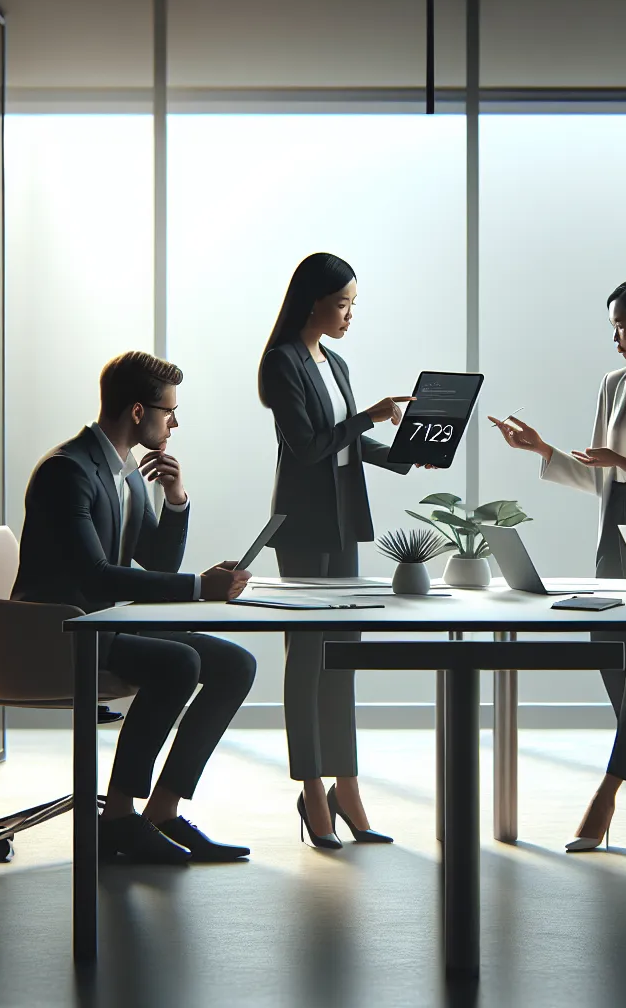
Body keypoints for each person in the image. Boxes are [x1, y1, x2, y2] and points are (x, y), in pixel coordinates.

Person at [489, 274, 626, 851]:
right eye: (612, 325)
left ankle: (608, 793)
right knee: (613, 661)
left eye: (622, 324)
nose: (614, 335)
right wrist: (543, 451)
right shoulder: (612, 385)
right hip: (611, 542)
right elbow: (599, 475)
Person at [12, 351, 257, 864]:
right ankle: (118, 817)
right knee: (179, 662)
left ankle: (161, 811)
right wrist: (198, 587)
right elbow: (92, 575)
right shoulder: (68, 471)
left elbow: (157, 560)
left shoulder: (124, 472)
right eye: (170, 411)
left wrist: (175, 498)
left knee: (236, 663)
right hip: (62, 632)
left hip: (108, 627)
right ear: (140, 413)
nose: (175, 422)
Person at [258, 252, 418, 850]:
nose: (351, 314)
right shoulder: (282, 363)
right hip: (302, 528)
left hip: (343, 522)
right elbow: (307, 447)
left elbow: (346, 445)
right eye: (344, 303)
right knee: (307, 661)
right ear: (313, 301)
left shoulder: (337, 362)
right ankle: (312, 791)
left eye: (354, 303)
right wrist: (371, 416)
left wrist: (401, 454)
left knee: (341, 661)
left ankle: (346, 788)